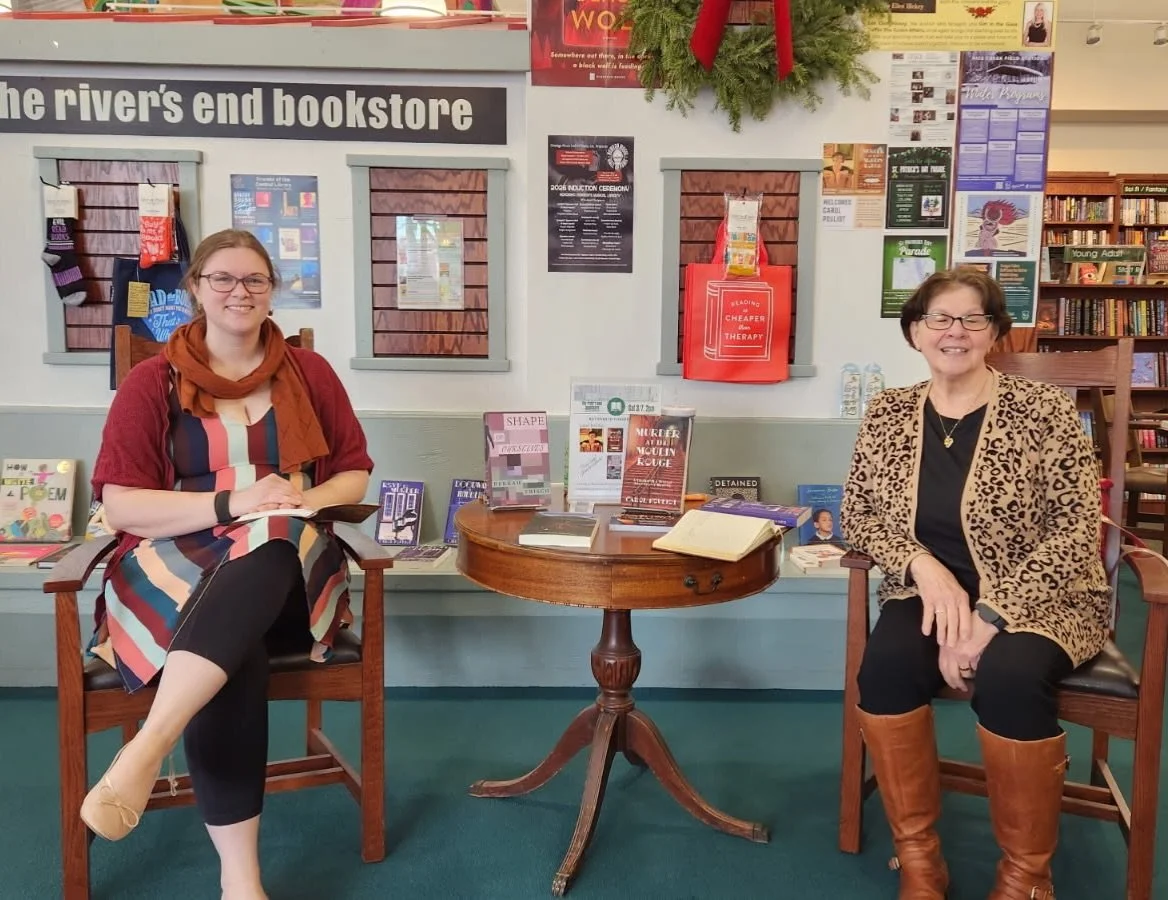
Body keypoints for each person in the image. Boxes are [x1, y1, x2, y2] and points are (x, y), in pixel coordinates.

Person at [80, 229, 374, 900]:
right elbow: (123, 506)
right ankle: (241, 882)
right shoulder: (151, 382)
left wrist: (294, 500)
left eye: (255, 281)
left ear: (270, 292)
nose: (239, 292)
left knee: (270, 537)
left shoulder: (311, 373)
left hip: (291, 579)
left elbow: (353, 476)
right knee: (228, 643)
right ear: (196, 290)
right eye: (223, 279)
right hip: (173, 570)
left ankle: (148, 747)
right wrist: (235, 502)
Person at [840, 267, 1109, 900]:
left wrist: (988, 618)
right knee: (884, 667)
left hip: (1043, 594)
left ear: (995, 333)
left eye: (973, 319)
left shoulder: (1042, 410)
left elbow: (1075, 529)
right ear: (915, 331)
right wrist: (921, 566)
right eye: (939, 318)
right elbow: (858, 512)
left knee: (1011, 675)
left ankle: (1026, 877)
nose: (954, 332)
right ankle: (919, 859)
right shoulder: (888, 412)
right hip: (928, 593)